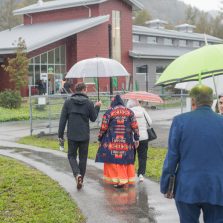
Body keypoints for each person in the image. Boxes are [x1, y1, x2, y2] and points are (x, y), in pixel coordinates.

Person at [160, 84, 223, 223]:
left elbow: (172, 156)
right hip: (217, 187)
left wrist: (165, 184)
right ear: (212, 101)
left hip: (187, 186)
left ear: (193, 101)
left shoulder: (180, 121)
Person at [58, 82, 101, 189]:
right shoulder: (89, 103)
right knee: (83, 158)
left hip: (72, 135)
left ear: (76, 90)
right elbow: (93, 118)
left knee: (71, 156)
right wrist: (97, 107)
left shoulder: (68, 102)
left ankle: (77, 174)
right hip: (84, 135)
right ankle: (81, 177)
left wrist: (60, 135)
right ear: (84, 90)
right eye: (86, 89)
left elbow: (62, 120)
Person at [95, 95, 139, 188]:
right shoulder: (129, 112)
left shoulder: (109, 112)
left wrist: (100, 137)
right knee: (125, 159)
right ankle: (125, 179)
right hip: (127, 141)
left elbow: (103, 127)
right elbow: (135, 126)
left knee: (113, 160)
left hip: (112, 141)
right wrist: (137, 138)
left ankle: (117, 180)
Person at [127, 99, 152, 182]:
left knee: (131, 156)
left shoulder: (129, 111)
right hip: (143, 137)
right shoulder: (143, 111)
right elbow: (150, 122)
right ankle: (141, 174)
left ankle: (130, 173)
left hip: (132, 138)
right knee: (142, 156)